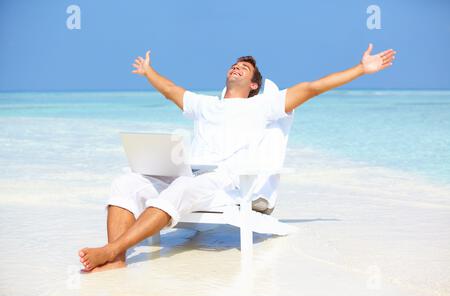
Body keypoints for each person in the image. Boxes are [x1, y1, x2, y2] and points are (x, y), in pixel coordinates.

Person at [79, 44, 396, 272]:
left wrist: (361, 69)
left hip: (225, 183)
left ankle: (111, 250)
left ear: (254, 84)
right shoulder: (206, 105)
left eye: (244, 69)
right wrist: (149, 72)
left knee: (181, 190)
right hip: (190, 174)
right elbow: (172, 90)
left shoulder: (264, 106)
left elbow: (313, 87)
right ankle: (117, 262)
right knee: (126, 181)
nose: (236, 67)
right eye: (234, 65)